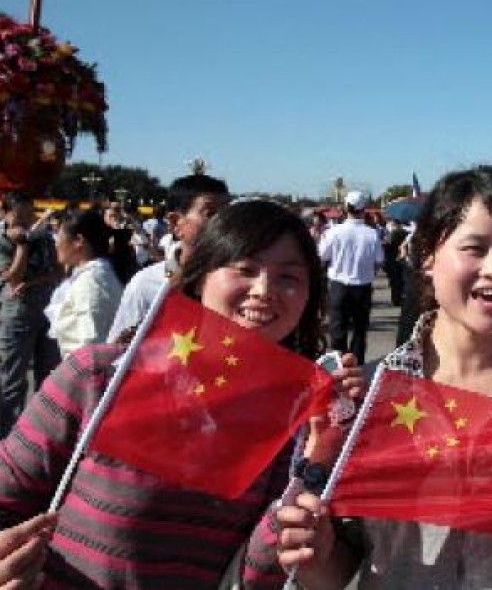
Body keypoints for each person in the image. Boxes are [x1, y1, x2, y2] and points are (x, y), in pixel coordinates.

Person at [275, 165, 492, 589]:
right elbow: (337, 568)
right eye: (475, 248)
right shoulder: (368, 395)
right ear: (427, 255)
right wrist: (313, 553)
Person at [0, 199, 352, 587]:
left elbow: (253, 576)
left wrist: (316, 464)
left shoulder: (297, 420)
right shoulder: (101, 378)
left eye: (288, 277)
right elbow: (8, 494)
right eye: (245, 269)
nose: (264, 290)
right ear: (201, 278)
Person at [107, 173, 230, 343]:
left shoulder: (240, 283)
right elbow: (117, 355)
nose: (223, 222)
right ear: (175, 222)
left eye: (227, 213)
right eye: (210, 213)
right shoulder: (147, 284)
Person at [0, 193, 61, 437]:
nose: (25, 221)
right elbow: (13, 276)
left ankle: (37, 434)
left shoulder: (45, 237)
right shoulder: (4, 241)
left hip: (47, 312)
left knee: (48, 377)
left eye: (29, 214)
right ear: (5, 213)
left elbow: (59, 272)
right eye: (19, 215)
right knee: (12, 380)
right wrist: (22, 245)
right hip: (17, 314)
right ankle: (7, 436)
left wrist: (36, 281)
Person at [44, 209, 135, 358]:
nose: (56, 243)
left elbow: (89, 347)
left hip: (83, 375)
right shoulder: (92, 275)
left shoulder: (91, 282)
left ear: (78, 241)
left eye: (59, 236)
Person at [318, 190, 383, 364]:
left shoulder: (334, 232)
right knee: (360, 331)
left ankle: (339, 365)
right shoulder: (372, 234)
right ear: (364, 209)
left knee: (338, 330)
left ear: (346, 208)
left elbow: (322, 256)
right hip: (363, 286)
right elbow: (379, 260)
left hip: (339, 285)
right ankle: (357, 366)